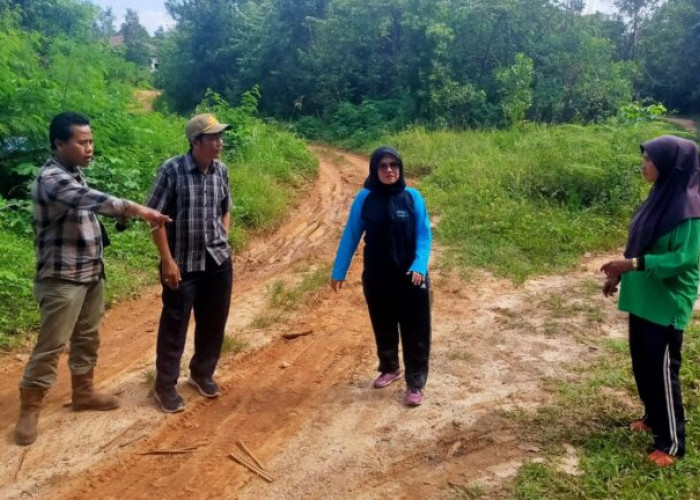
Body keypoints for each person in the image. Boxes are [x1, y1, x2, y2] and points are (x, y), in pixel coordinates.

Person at [14, 111, 171, 446]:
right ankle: (30, 408)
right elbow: (91, 201)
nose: (89, 147)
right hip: (61, 277)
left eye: (91, 140)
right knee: (51, 345)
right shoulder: (51, 178)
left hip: (89, 272)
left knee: (88, 336)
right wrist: (139, 210)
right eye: (81, 142)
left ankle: (83, 392)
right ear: (59, 143)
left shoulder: (73, 172)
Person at [601, 135, 700, 467]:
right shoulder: (658, 197)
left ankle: (672, 442)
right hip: (643, 297)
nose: (644, 165)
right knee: (643, 366)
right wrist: (620, 274)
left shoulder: (690, 210)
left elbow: (683, 259)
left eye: (649, 160)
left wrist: (631, 265)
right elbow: (640, 243)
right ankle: (653, 416)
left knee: (662, 372)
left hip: (666, 304)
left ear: (671, 166)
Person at [146, 113, 233, 413]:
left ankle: (202, 373)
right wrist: (167, 261)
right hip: (181, 263)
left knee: (213, 321)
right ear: (196, 142)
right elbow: (154, 219)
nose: (220, 143)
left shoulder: (221, 171)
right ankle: (165, 386)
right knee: (174, 325)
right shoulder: (172, 171)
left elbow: (226, 207)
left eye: (220, 137)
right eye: (213, 138)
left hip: (217, 260)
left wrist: (224, 234)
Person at [331, 146, 432, 406]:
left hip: (412, 277)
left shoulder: (413, 197)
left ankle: (415, 382)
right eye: (383, 166)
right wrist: (339, 271)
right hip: (378, 275)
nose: (389, 170)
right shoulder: (365, 198)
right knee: (383, 323)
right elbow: (351, 234)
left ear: (400, 168)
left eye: (394, 165)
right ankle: (389, 368)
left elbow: (423, 235)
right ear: (375, 170)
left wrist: (420, 266)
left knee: (416, 330)